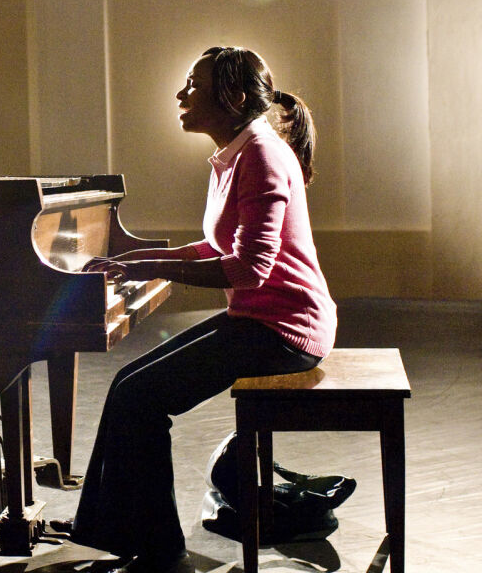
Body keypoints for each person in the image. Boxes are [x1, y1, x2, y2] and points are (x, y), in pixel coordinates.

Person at [62, 46, 337, 573]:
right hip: (260, 318)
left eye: (193, 84)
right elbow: (217, 247)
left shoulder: (261, 155)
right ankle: (108, 534)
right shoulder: (236, 153)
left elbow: (249, 269)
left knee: (142, 399)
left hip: (285, 330)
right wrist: (135, 261)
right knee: (126, 385)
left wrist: (153, 268)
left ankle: (159, 552)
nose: (181, 94)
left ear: (231, 96)